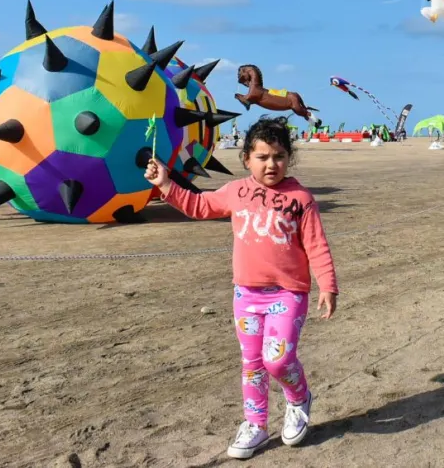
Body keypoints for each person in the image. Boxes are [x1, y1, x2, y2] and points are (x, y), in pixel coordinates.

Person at [144, 117, 339, 459]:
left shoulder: (300, 199)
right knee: (252, 363)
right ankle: (256, 425)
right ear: (247, 158)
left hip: (287, 293)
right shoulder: (236, 191)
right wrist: (166, 185)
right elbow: (200, 206)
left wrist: (327, 285)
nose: (271, 164)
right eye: (262, 157)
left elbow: (317, 245)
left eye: (278, 156)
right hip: (246, 295)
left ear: (288, 158)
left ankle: (298, 399)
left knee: (277, 361)